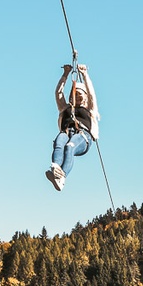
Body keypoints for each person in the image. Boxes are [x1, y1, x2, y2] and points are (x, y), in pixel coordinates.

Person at [46, 62, 99, 191]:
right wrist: (65, 75)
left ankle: (62, 176)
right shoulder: (65, 108)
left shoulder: (89, 109)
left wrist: (85, 74)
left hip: (82, 135)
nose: (78, 96)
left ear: (85, 97)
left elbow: (91, 94)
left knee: (69, 147)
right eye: (76, 94)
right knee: (59, 142)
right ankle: (56, 170)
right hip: (67, 131)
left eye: (81, 94)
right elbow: (58, 93)